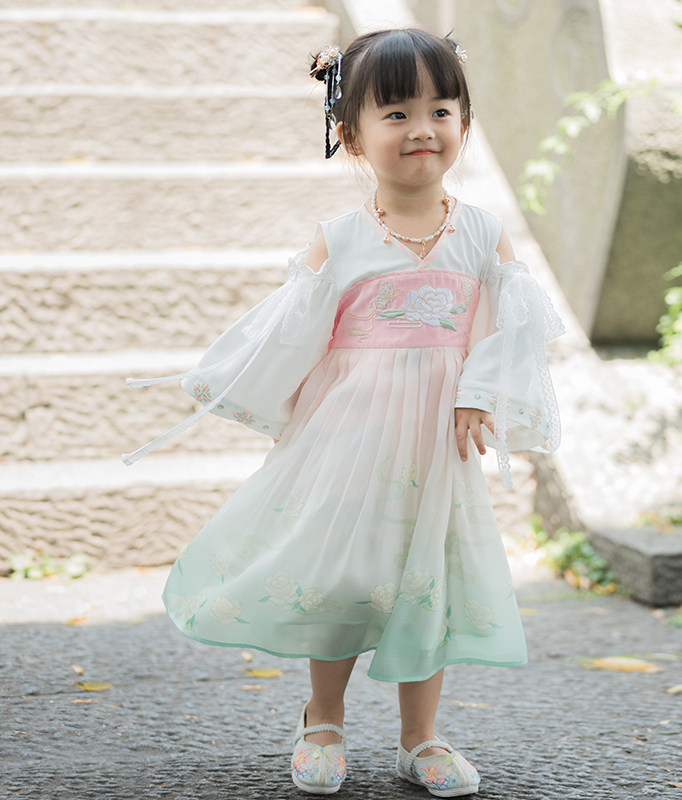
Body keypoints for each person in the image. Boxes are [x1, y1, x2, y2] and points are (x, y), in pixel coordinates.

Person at [122, 27, 564, 797]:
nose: (422, 128)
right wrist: (261, 397)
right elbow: (291, 333)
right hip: (351, 438)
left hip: (436, 445)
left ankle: (420, 736)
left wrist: (479, 390)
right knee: (343, 577)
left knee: (427, 579)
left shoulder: (481, 235)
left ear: (464, 122)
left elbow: (512, 324)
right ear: (351, 136)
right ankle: (322, 719)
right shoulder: (342, 241)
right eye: (396, 113)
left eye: (441, 110)